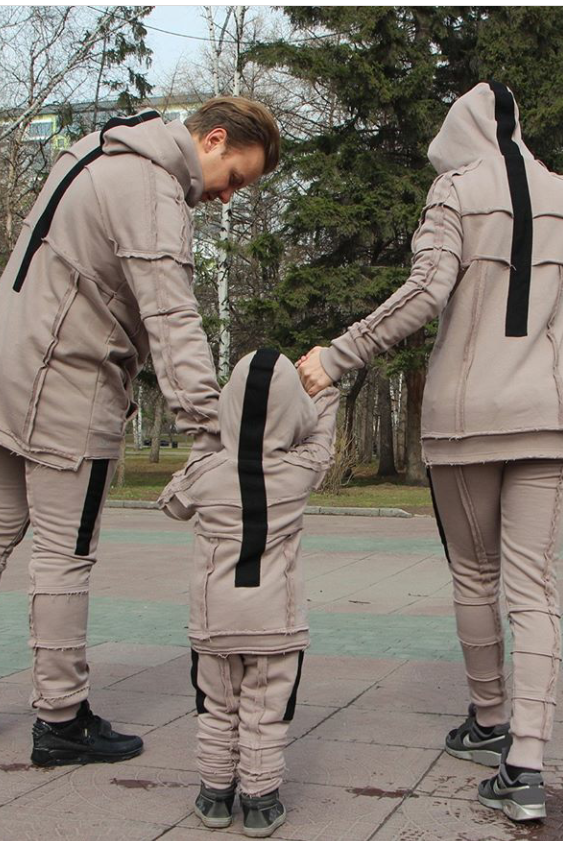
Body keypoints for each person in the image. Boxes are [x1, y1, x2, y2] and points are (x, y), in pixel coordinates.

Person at [0, 97, 280, 768]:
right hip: (67, 384)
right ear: (212, 140)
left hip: (3, 366)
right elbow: (172, 317)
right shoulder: (151, 188)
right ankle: (61, 718)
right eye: (235, 177)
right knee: (65, 551)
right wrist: (211, 432)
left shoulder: (93, 150)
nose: (227, 196)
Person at [297, 81, 563, 822]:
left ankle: (488, 718)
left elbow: (427, 289)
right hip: (550, 410)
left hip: (467, 416)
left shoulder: (454, 191)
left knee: (475, 573)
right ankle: (525, 765)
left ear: (458, 134)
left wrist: (337, 355)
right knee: (535, 587)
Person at [158, 349, 339, 838]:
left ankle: (215, 795)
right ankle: (260, 801)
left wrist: (209, 438)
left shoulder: (207, 472)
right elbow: (322, 437)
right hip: (276, 623)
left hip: (215, 622)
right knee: (266, 713)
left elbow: (172, 505)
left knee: (217, 709)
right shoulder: (301, 470)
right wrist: (323, 392)